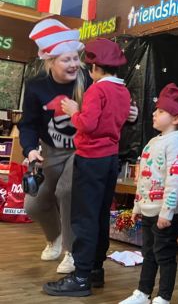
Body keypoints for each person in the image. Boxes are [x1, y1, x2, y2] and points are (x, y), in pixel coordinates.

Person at [43, 38, 131, 297]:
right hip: (110, 159)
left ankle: (80, 276)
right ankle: (95, 270)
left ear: (94, 68)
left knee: (84, 218)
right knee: (100, 215)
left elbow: (87, 124)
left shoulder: (97, 90)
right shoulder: (123, 91)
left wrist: (74, 111)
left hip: (91, 158)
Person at [119, 83, 178, 304]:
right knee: (148, 253)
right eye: (156, 110)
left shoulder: (177, 144)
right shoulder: (152, 142)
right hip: (148, 209)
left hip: (165, 214)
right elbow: (143, 179)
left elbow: (175, 181)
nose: (154, 114)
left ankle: (163, 296)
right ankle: (143, 292)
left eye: (162, 111)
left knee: (164, 255)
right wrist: (137, 206)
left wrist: (167, 212)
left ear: (176, 118)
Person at [20, 19, 88, 274]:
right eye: (66, 60)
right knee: (33, 205)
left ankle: (71, 251)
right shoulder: (36, 86)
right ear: (50, 62)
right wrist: (30, 149)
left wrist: (130, 115)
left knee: (66, 191)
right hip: (49, 151)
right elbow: (28, 124)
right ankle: (56, 238)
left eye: (75, 58)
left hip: (80, 149)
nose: (73, 64)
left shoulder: (87, 80)